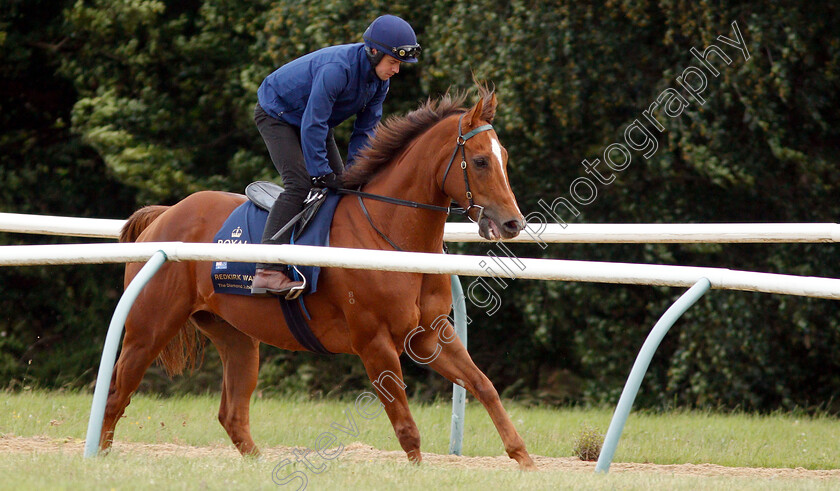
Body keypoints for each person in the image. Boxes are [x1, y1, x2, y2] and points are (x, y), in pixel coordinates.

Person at [251, 14, 421, 297]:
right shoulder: (337, 69)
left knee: (344, 185)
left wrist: (357, 175)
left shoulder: (380, 82)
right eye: (394, 62)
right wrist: (319, 171)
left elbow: (365, 132)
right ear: (374, 52)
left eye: (399, 63)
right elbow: (312, 124)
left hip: (315, 120)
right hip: (277, 114)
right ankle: (267, 270)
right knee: (300, 183)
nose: (397, 70)